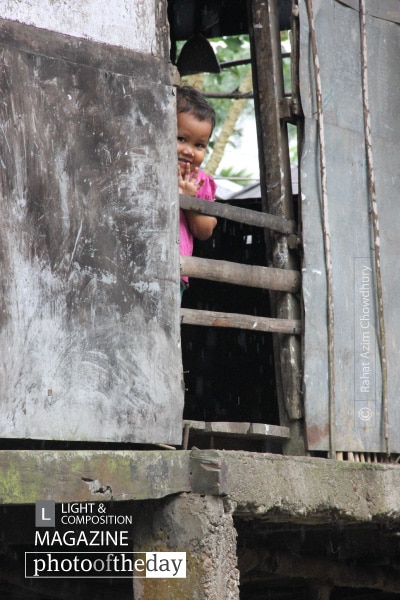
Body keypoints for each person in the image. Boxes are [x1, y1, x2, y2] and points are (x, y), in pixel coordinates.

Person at [176, 85, 217, 298]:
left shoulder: (200, 181)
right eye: (181, 139)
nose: (189, 151)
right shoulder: (150, 169)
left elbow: (205, 231)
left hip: (176, 271)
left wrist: (189, 203)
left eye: (199, 145)